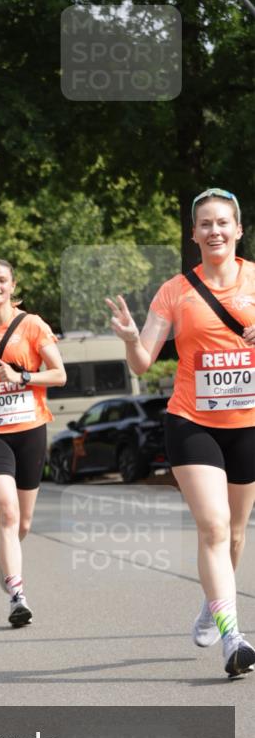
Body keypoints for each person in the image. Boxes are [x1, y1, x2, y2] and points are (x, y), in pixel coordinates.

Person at [107, 188, 255, 678]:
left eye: (222, 223)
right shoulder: (174, 290)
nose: (214, 231)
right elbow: (144, 359)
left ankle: (213, 603)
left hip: (247, 424)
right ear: (194, 234)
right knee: (213, 527)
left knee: (234, 533)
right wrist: (131, 340)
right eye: (205, 224)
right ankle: (234, 638)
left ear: (238, 229)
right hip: (192, 421)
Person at [0, 259, 66, 627]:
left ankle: (2, 554)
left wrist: (22, 376)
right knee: (6, 512)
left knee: (22, 523)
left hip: (29, 430)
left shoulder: (32, 325)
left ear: (12, 285)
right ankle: (17, 595)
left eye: (2, 280)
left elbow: (59, 374)